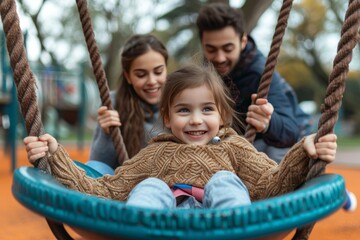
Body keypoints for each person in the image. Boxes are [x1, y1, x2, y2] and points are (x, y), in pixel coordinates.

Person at [24, 64, 337, 210]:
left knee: (226, 181)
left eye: (207, 110)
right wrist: (54, 156)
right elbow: (105, 190)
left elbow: (272, 183)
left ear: (222, 116)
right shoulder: (155, 154)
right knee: (149, 185)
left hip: (224, 225)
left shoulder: (234, 148)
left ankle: (236, 222)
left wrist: (304, 152)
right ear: (168, 118)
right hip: (166, 226)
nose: (196, 120)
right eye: (184, 110)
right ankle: (138, 226)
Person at [196, 3, 311, 163]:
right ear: (203, 44)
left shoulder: (260, 73)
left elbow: (291, 130)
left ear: (243, 41)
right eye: (211, 49)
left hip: (285, 142)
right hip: (239, 140)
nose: (220, 57)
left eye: (228, 48)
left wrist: (269, 123)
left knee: (269, 159)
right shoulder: (205, 73)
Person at [87, 34, 168, 175]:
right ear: (128, 76)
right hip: (123, 182)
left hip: (165, 183)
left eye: (158, 72)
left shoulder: (178, 103)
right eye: (141, 75)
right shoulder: (113, 103)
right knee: (92, 169)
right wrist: (107, 135)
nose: (152, 81)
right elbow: (97, 165)